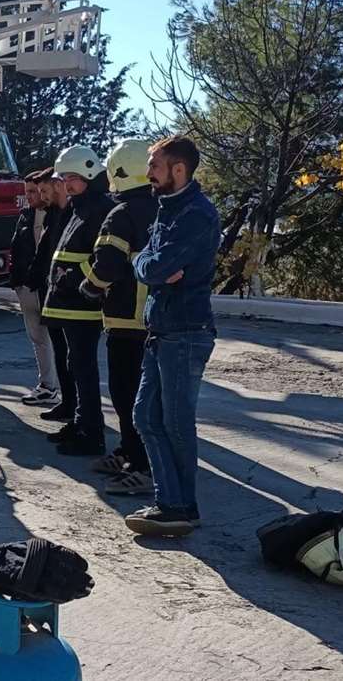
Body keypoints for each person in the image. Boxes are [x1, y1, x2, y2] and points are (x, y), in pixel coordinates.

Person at [124, 135, 222, 537]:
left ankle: (180, 506)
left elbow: (156, 265)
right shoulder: (168, 210)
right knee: (145, 415)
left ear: (178, 169)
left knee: (177, 422)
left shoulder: (196, 214)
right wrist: (148, 264)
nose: (148, 173)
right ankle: (171, 502)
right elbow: (146, 263)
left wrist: (151, 265)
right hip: (161, 330)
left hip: (185, 333)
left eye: (154, 166)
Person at [78, 139, 157, 495]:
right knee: (142, 397)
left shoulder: (121, 213)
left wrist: (89, 287)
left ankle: (140, 466)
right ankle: (129, 452)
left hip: (126, 319)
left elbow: (107, 264)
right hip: (154, 319)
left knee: (126, 395)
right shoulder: (162, 208)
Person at [41, 145, 115, 456]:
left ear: (87, 173)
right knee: (74, 364)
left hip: (82, 305)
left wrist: (76, 280)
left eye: (71, 178)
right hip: (68, 304)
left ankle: (91, 433)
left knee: (83, 367)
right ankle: (80, 421)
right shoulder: (81, 206)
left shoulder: (100, 208)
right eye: (63, 178)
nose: (66, 184)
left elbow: (103, 258)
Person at [9, 169, 59, 405]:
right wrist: (17, 281)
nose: (30, 195)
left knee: (58, 339)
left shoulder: (58, 215)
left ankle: (56, 386)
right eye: (27, 191)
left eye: (35, 191)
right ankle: (46, 384)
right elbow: (16, 248)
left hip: (50, 287)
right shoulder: (25, 216)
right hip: (27, 287)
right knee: (37, 337)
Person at [33, 172, 75, 426]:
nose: (41, 196)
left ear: (57, 186)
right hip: (50, 293)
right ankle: (68, 402)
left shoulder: (74, 215)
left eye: (45, 190)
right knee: (60, 352)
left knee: (72, 356)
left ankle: (77, 408)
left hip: (70, 298)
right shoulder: (53, 215)